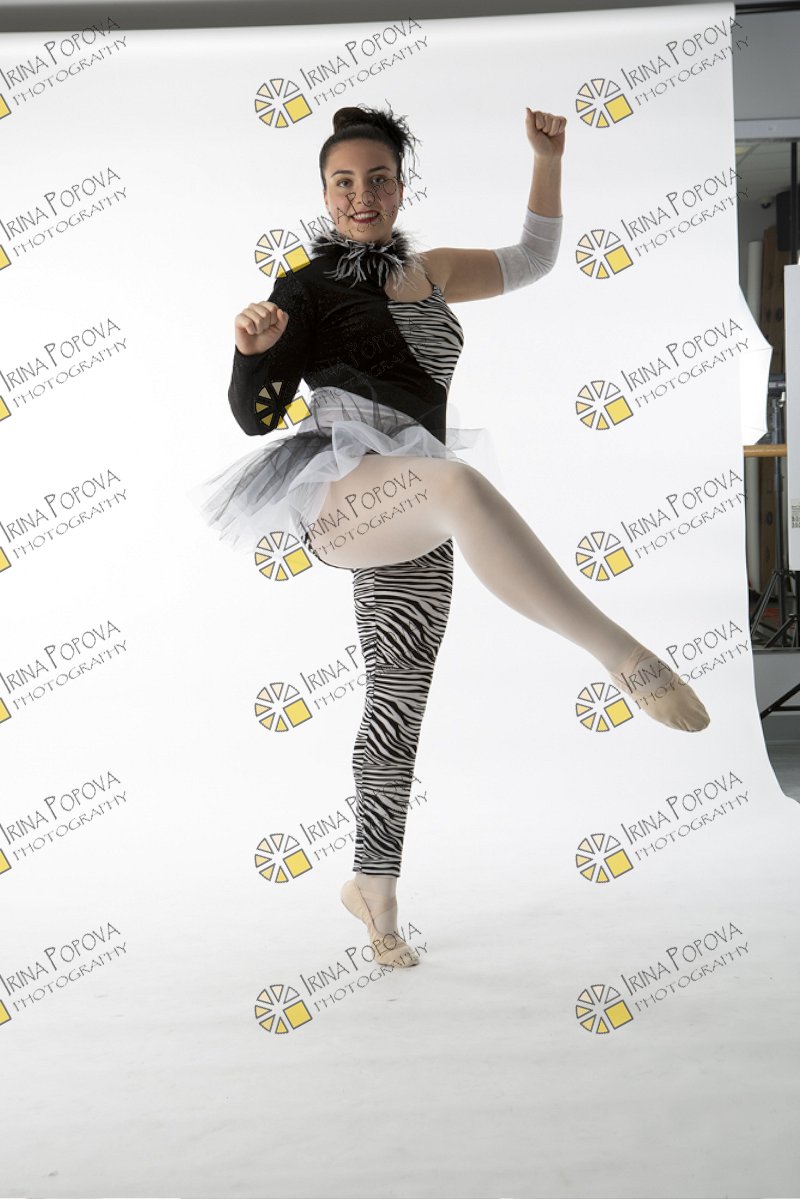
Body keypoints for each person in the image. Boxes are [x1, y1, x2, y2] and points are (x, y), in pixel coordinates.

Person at [191, 103, 710, 970]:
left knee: (397, 702)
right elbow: (256, 417)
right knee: (463, 486)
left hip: (417, 500)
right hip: (341, 495)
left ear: (401, 187)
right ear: (325, 194)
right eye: (343, 182)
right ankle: (623, 657)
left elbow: (534, 257)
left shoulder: (431, 273)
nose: (361, 195)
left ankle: (374, 893)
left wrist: (548, 159)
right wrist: (254, 349)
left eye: (378, 178)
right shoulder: (304, 289)